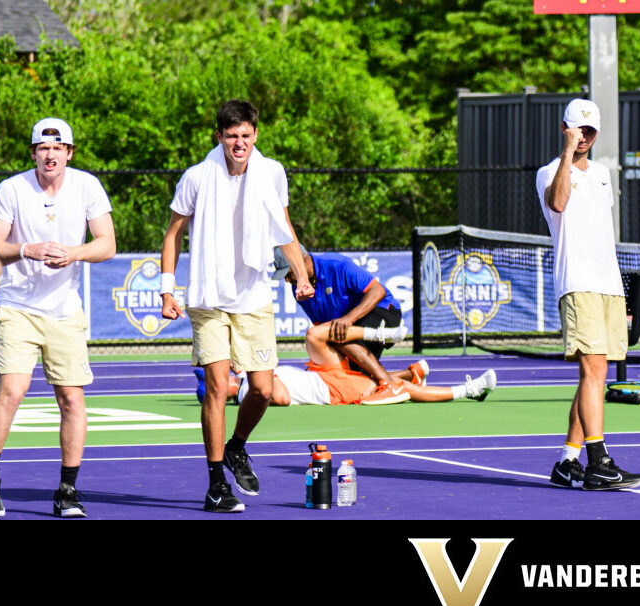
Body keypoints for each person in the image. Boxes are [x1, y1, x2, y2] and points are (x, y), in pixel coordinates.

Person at [160, 100, 314, 514]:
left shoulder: (272, 172)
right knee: (215, 385)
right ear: (220, 138)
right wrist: (166, 290)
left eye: (246, 135)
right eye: (232, 136)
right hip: (208, 296)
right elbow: (173, 234)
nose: (239, 143)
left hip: (253, 294)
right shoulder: (196, 177)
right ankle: (215, 485)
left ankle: (236, 447)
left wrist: (300, 274)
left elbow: (284, 227)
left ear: (255, 136)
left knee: (263, 389)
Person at [0, 117, 116, 518]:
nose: (50, 154)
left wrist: (73, 253)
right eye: (43, 147)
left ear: (69, 153)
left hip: (64, 309)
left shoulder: (87, 186)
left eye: (58, 148)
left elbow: (107, 244)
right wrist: (30, 249)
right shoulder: (11, 189)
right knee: (12, 391)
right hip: (19, 306)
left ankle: (67, 490)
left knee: (72, 398)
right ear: (34, 153)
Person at [536, 98, 640, 491]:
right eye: (576, 130)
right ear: (564, 128)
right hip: (577, 281)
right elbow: (559, 202)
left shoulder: (602, 174)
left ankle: (568, 461)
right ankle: (599, 461)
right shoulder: (550, 172)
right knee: (594, 370)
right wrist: (567, 152)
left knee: (593, 378)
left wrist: (618, 294)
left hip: (607, 285)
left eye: (589, 132)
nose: (582, 138)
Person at [205, 321, 495, 406]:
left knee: (315, 335)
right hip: (330, 390)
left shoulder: (244, 380)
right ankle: (467, 391)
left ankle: (383, 336)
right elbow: (277, 396)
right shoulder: (247, 392)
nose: (225, 374)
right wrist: (265, 376)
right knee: (398, 388)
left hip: (319, 373)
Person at [273, 245, 411, 404]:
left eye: (289, 273)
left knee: (337, 337)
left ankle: (391, 385)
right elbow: (322, 328)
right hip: (348, 330)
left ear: (302, 262)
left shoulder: (336, 263)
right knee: (353, 380)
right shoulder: (299, 290)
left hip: (384, 311)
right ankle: (410, 375)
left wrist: (349, 319)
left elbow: (377, 291)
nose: (287, 280)